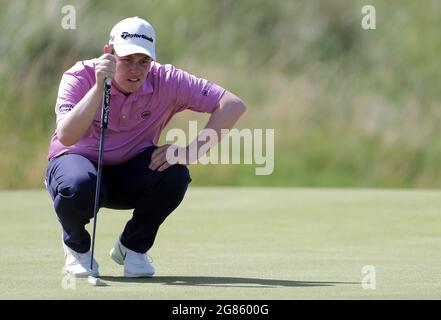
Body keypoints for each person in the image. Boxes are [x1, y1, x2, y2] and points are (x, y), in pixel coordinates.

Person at [45, 16, 246, 278]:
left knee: (175, 174)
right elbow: (67, 136)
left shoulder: (167, 80)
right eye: (127, 60)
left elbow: (232, 105)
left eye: (143, 62)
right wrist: (97, 88)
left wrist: (190, 152)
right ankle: (77, 249)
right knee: (78, 184)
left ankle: (132, 247)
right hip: (77, 166)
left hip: (130, 174)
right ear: (109, 53)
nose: (136, 71)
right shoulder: (79, 75)